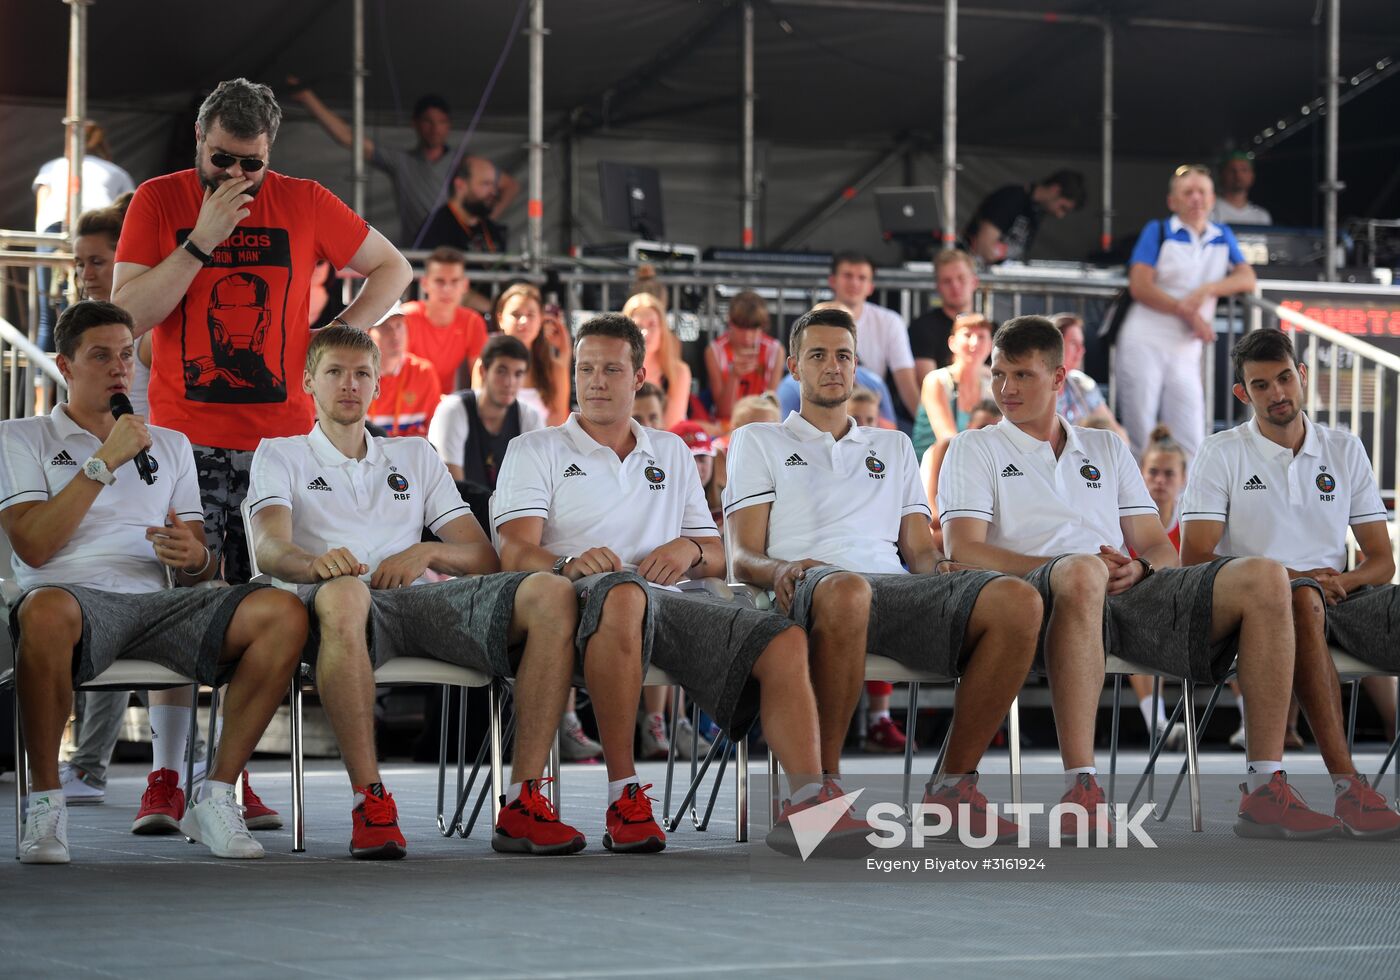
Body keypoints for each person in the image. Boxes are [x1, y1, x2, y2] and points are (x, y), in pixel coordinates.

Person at [938, 314, 1338, 841]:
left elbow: (1155, 544)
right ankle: (1081, 789)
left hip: (1124, 592)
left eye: (1022, 375)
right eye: (998, 375)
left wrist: (1141, 566)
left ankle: (1265, 786)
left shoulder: (1105, 447)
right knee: (1081, 571)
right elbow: (962, 547)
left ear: (1059, 379)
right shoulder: (975, 447)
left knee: (1264, 576)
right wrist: (1062, 567)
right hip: (1031, 598)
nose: (1006, 389)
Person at [494, 313, 857, 856]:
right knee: (622, 593)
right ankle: (624, 794)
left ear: (640, 376)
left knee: (784, 640)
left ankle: (808, 804)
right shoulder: (535, 448)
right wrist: (568, 561)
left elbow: (715, 553)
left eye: (611, 369)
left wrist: (686, 549)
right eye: (586, 368)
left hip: (668, 604)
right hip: (574, 604)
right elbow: (513, 549)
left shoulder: (668, 451)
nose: (596, 381)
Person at [3, 301, 307, 864]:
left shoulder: (168, 444)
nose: (120, 369)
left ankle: (215, 793)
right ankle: (45, 803)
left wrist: (195, 558)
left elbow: (196, 565)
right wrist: (103, 461)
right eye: (101, 356)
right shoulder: (22, 437)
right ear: (65, 366)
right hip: (71, 600)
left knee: (280, 611)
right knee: (42, 609)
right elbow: (35, 546)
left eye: (125, 355)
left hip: (158, 603)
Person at [725, 305, 1040, 837]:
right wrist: (777, 568)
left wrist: (945, 569)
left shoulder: (892, 445)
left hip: (892, 590)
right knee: (847, 589)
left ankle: (952, 787)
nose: (832, 366)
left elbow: (918, 551)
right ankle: (815, 798)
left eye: (843, 356)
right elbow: (740, 557)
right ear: (793, 367)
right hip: (803, 588)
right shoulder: (760, 440)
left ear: (856, 367)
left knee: (1017, 600)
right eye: (818, 355)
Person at [112, 77, 412, 589]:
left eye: (252, 164)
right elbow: (126, 318)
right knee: (185, 597)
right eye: (222, 159)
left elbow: (394, 269)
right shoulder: (158, 199)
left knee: (279, 604)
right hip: (185, 440)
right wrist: (201, 241)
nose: (235, 175)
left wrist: (334, 336)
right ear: (199, 136)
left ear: (270, 150)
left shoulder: (305, 200)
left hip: (281, 445)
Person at [1178, 328, 1400, 838]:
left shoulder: (1344, 448)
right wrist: (1302, 580)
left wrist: (1341, 580)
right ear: (1243, 394)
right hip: (1253, 607)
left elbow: (1382, 561)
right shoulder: (1220, 451)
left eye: (1283, 378)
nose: (1277, 394)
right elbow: (1194, 557)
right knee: (1298, 598)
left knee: (1310, 599)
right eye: (1260, 385)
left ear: (1301, 376)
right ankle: (1349, 788)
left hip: (1336, 596)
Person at [1114, 164, 1257, 460]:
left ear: (1212, 198)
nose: (1195, 198)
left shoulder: (1222, 234)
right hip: (1145, 341)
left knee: (1191, 437)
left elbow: (1247, 277)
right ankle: (1138, 506)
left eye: (1202, 192)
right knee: (1140, 433)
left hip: (1185, 352)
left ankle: (1184, 508)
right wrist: (1187, 312)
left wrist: (1207, 290)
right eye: (1187, 192)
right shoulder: (1159, 230)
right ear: (1172, 201)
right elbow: (1140, 285)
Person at [288, 82, 518, 243]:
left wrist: (487, 220)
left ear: (448, 125)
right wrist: (308, 98)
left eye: (441, 122)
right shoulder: (401, 162)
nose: (435, 128)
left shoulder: (464, 162)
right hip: (420, 251)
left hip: (454, 251)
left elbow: (509, 185)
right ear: (415, 124)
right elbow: (350, 139)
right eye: (428, 121)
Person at [32, 122, 136, 352]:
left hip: (53, 233)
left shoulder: (52, 167)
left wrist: (47, 246)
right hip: (89, 230)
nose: (86, 272)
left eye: (95, 263)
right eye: (80, 264)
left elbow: (41, 215)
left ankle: (43, 387)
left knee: (47, 318)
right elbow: (130, 212)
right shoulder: (116, 171)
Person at [1127, 426, 1189, 748]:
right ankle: (1157, 722)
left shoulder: (1191, 519)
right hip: (1138, 608)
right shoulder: (1125, 517)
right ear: (1140, 474)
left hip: (1178, 604)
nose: (1159, 480)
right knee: (1141, 620)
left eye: (1168, 473)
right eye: (1152, 472)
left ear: (1183, 477)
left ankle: (1247, 722)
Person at [429, 333, 543, 488]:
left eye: (518, 374)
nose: (509, 382)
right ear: (483, 371)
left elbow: (536, 483)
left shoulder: (529, 417)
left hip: (512, 510)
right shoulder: (453, 410)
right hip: (462, 509)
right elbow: (454, 490)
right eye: (501, 371)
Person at [826, 253, 919, 421]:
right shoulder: (807, 323)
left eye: (862, 278)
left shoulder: (890, 321)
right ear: (832, 281)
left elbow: (906, 383)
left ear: (870, 286)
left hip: (873, 411)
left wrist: (924, 432)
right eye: (848, 276)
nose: (854, 283)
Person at [474, 282, 572, 426]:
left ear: (540, 320)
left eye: (531, 315)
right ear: (500, 319)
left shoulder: (555, 369)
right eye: (516, 314)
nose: (524, 321)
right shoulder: (484, 365)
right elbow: (479, 417)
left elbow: (559, 422)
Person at [399, 247, 489, 392]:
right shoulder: (405, 317)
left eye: (454, 281)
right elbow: (395, 373)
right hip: (405, 404)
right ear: (425, 284)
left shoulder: (472, 322)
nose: (447, 289)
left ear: (465, 285)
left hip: (445, 403)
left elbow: (481, 374)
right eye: (440, 281)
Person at [922, 399, 1000, 556]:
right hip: (943, 529)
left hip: (983, 530)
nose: (986, 435)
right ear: (968, 426)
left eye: (994, 429)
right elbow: (933, 514)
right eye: (981, 427)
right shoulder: (947, 447)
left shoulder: (1000, 456)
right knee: (945, 539)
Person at [912, 313, 993, 461]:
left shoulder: (991, 387)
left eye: (981, 336)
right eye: (967, 335)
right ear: (952, 342)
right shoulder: (936, 380)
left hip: (973, 466)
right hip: (929, 470)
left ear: (990, 345)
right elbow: (947, 440)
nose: (974, 343)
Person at [963, 170, 1086, 265]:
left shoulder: (1037, 212)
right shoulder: (1011, 198)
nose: (1060, 215)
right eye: (1062, 207)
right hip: (981, 276)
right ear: (1055, 190)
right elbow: (984, 247)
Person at [704, 291, 784, 423]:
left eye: (753, 328)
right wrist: (734, 376)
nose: (747, 336)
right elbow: (724, 412)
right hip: (728, 424)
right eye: (741, 327)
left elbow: (771, 406)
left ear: (763, 326)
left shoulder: (775, 351)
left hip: (762, 421)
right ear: (730, 323)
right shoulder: (715, 351)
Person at [367, 305, 442, 437]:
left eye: (399, 325)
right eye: (385, 327)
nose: (394, 334)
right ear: (368, 333)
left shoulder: (424, 372)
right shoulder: (356, 375)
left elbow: (435, 432)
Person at [908, 249, 983, 380]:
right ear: (937, 287)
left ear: (974, 282)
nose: (955, 285)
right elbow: (927, 383)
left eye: (961, 278)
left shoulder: (990, 329)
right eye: (947, 281)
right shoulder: (921, 327)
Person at [1051, 312, 1127, 440]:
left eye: (1082, 344)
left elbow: (1118, 434)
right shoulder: (1037, 388)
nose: (1082, 351)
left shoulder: (1081, 383)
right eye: (1074, 343)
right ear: (1053, 346)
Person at [624, 293, 691, 430]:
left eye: (652, 325)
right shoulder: (617, 370)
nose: (645, 332)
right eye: (638, 326)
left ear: (662, 330)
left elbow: (672, 426)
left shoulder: (679, 372)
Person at [420, 156, 510, 255]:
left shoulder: (492, 230)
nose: (493, 192)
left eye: (494, 185)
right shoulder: (435, 229)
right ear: (460, 185)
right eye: (485, 184)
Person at [1211, 152, 1272, 227]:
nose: (1238, 175)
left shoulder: (1262, 216)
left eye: (1244, 170)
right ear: (1222, 175)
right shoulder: (1210, 209)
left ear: (1252, 176)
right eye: (1232, 170)